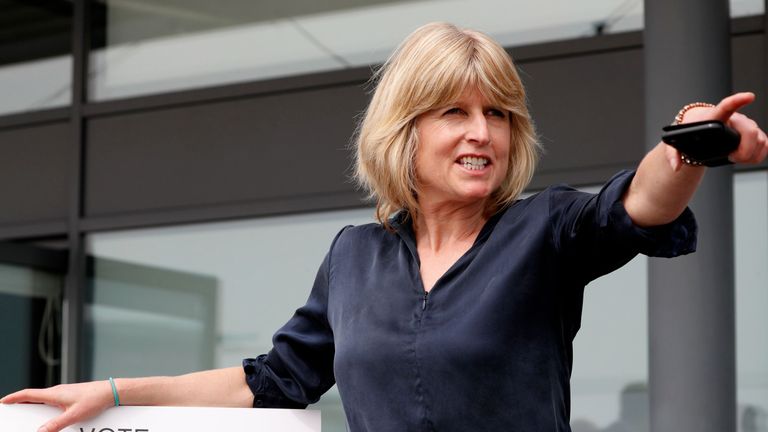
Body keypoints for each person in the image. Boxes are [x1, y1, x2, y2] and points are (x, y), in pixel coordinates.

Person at [2, 22, 767, 432]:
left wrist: (690, 142)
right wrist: (110, 392)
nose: (483, 133)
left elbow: (639, 203)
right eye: (455, 112)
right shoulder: (353, 257)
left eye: (499, 114)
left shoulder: (548, 231)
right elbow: (268, 381)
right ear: (404, 130)